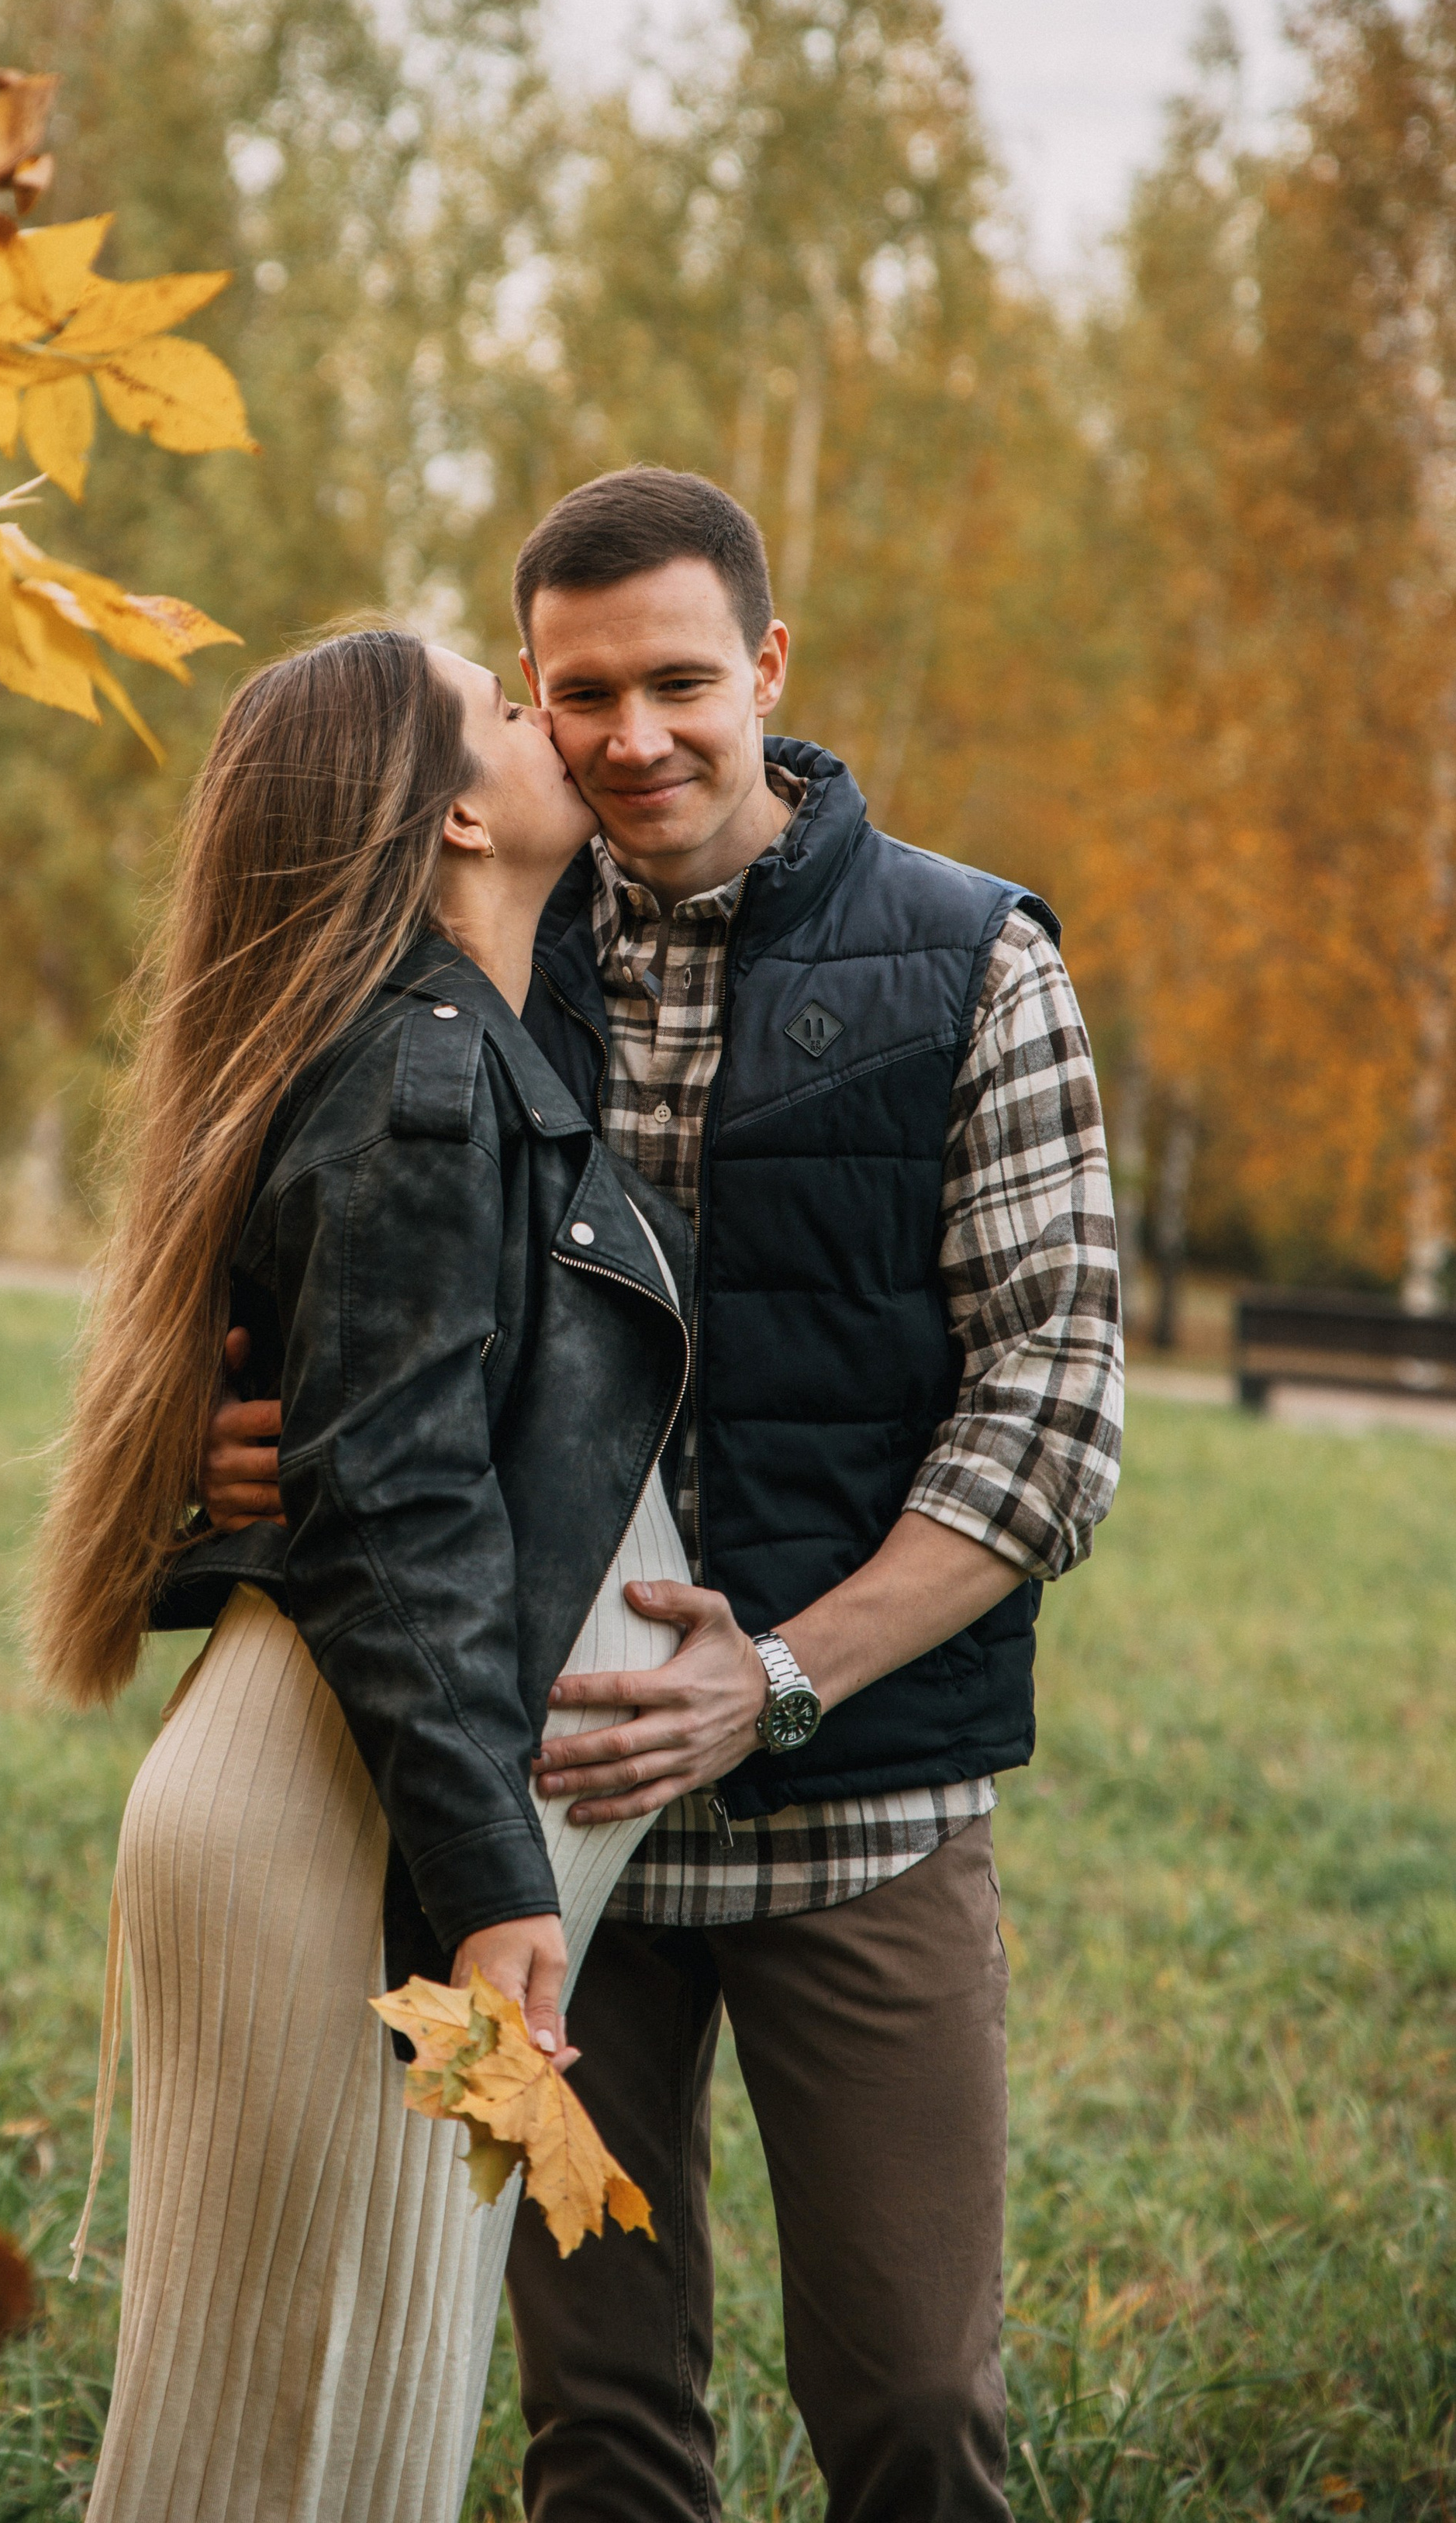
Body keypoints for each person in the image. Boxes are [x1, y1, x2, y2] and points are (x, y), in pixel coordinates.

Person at [201, 472, 1125, 2523]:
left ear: (768, 666)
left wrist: (773, 1677)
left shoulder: (976, 957)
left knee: (917, 2408)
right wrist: (222, 1443)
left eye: (681, 682)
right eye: (581, 693)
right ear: (525, 704)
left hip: (862, 1815)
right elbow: (331, 1315)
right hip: (522, 1841)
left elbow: (1054, 1415)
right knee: (596, 2436)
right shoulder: (473, 943)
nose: (632, 739)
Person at [31, 626, 729, 2523]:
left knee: (329, 2433)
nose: (547, 720)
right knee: (297, 2440)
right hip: (353, 1847)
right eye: (505, 707)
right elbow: (400, 1500)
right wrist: (493, 1883)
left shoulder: (463, 1049)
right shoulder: (425, 1077)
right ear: (452, 815)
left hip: (367, 1820)